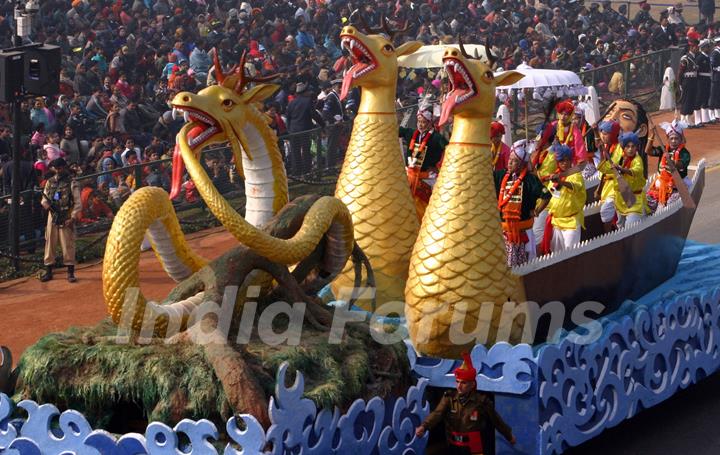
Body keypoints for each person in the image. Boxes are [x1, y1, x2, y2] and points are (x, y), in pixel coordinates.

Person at [415, 353, 516, 454]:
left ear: (472, 385)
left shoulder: (482, 401)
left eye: (463, 383)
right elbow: (437, 414)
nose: (459, 386)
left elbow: (497, 421)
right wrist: (424, 426)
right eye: (457, 382)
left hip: (474, 445)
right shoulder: (449, 398)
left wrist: (509, 436)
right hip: (454, 444)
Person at [494, 140, 551, 267]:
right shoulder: (501, 176)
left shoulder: (530, 180)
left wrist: (536, 211)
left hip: (523, 232)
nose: (509, 162)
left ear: (521, 164)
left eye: (514, 161)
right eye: (509, 159)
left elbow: (547, 195)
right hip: (504, 233)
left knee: (526, 267)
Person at [400, 105, 448, 219]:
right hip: (410, 175)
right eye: (419, 121)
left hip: (428, 176)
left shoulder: (436, 137)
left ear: (430, 122)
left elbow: (448, 148)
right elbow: (397, 130)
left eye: (423, 122)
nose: (420, 124)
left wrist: (438, 166)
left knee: (435, 202)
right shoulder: (412, 133)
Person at [40, 158, 81, 283]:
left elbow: (77, 202)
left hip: (66, 215)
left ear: (64, 167)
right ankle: (48, 271)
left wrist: (73, 217)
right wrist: (48, 206)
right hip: (52, 216)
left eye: (60, 167)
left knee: (67, 244)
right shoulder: (50, 182)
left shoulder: (71, 182)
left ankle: (70, 272)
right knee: (50, 243)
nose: (58, 170)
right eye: (56, 168)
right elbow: (44, 199)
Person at [541, 144, 586, 254]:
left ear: (571, 160)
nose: (565, 163)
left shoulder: (576, 174)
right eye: (562, 161)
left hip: (571, 222)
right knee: (556, 256)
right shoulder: (554, 176)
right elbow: (549, 195)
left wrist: (561, 182)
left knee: (570, 254)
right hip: (556, 222)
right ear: (558, 162)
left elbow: (575, 186)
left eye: (567, 160)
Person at [597, 132, 647, 228]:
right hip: (620, 199)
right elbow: (605, 168)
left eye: (633, 146)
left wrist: (620, 169)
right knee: (620, 227)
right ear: (623, 148)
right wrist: (601, 151)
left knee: (631, 226)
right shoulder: (620, 159)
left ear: (636, 148)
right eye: (627, 146)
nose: (630, 149)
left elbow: (637, 170)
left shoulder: (637, 160)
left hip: (634, 199)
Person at [646, 120, 692, 213]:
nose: (674, 141)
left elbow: (681, 164)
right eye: (671, 138)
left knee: (667, 209)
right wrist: (652, 135)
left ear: (681, 139)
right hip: (661, 184)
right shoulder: (663, 149)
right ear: (668, 139)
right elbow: (648, 151)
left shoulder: (684, 153)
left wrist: (672, 162)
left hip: (676, 186)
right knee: (648, 202)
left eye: (676, 138)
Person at [679, 32, 700, 127]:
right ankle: (684, 119)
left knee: (692, 99)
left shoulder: (695, 57)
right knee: (686, 99)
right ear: (691, 47)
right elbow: (680, 72)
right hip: (687, 81)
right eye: (695, 47)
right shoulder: (685, 58)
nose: (697, 48)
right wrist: (680, 83)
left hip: (693, 81)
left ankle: (689, 119)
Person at [696, 39, 713, 125]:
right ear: (703, 48)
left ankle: (705, 118)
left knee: (706, 98)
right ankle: (697, 120)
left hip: (707, 79)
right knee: (699, 98)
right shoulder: (700, 58)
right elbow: (697, 70)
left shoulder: (707, 57)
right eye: (707, 47)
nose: (709, 48)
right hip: (701, 80)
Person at [710, 38, 720, 120]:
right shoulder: (715, 52)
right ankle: (712, 113)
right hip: (716, 77)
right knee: (714, 95)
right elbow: (713, 64)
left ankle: (717, 113)